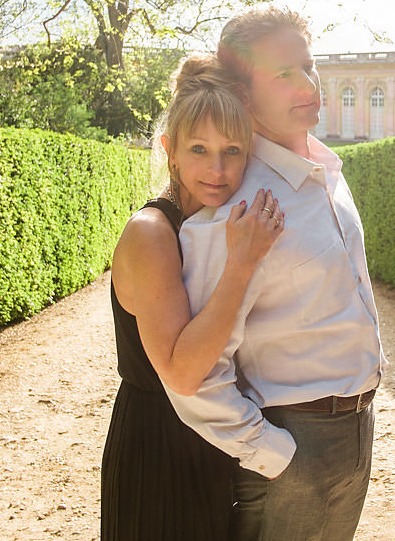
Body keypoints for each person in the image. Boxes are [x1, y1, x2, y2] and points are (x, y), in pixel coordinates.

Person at [166, 7, 385, 540]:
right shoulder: (239, 206)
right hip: (295, 439)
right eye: (284, 74)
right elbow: (192, 378)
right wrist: (275, 453)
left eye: (308, 67)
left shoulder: (327, 171)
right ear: (243, 94)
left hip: (356, 427)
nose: (307, 85)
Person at [101, 53, 287, 540]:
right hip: (158, 448)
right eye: (199, 149)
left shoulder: (207, 223)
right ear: (170, 150)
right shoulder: (152, 232)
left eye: (233, 151)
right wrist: (241, 265)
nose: (218, 170)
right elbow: (183, 372)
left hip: (210, 442)